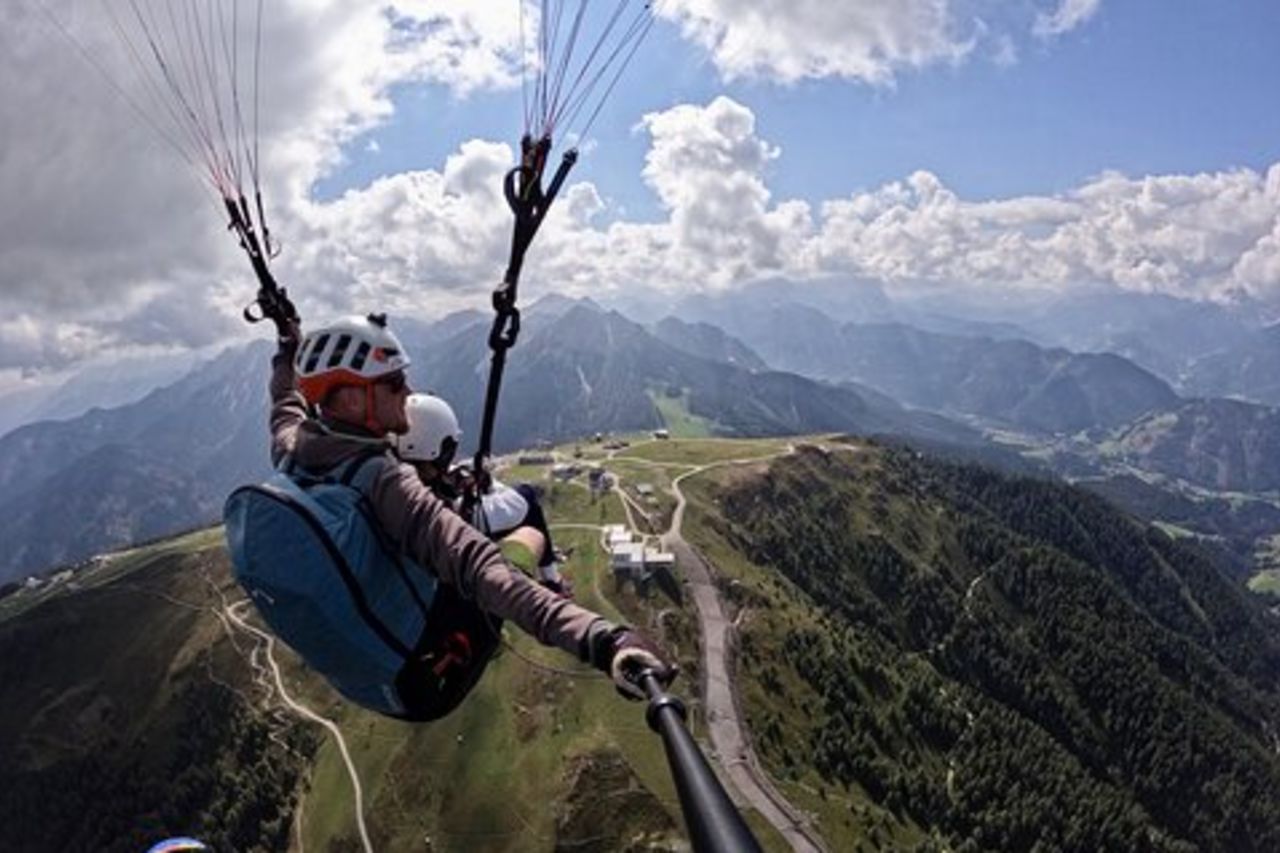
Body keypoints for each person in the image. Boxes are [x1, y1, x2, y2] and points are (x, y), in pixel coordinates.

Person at [246, 312, 673, 719]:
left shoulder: (291, 446)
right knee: (527, 533)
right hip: (432, 673)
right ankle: (554, 584)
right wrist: (602, 639)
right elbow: (479, 566)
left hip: (378, 674)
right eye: (393, 383)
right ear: (355, 398)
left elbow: (285, 400)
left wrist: (288, 347)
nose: (408, 390)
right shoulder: (385, 481)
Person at [396, 392, 571, 595]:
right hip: (455, 531)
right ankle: (552, 582)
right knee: (528, 497)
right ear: (436, 451)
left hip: (427, 561)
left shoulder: (395, 476)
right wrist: (488, 484)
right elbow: (521, 504)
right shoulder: (437, 505)